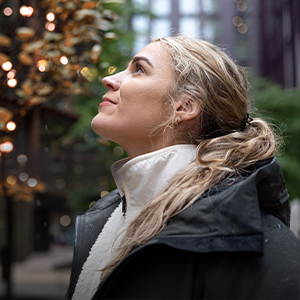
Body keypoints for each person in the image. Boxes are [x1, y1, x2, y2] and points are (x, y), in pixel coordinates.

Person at [66, 36, 300, 300]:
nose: (109, 79)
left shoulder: (247, 241)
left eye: (139, 69)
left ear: (185, 106)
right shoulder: (106, 219)